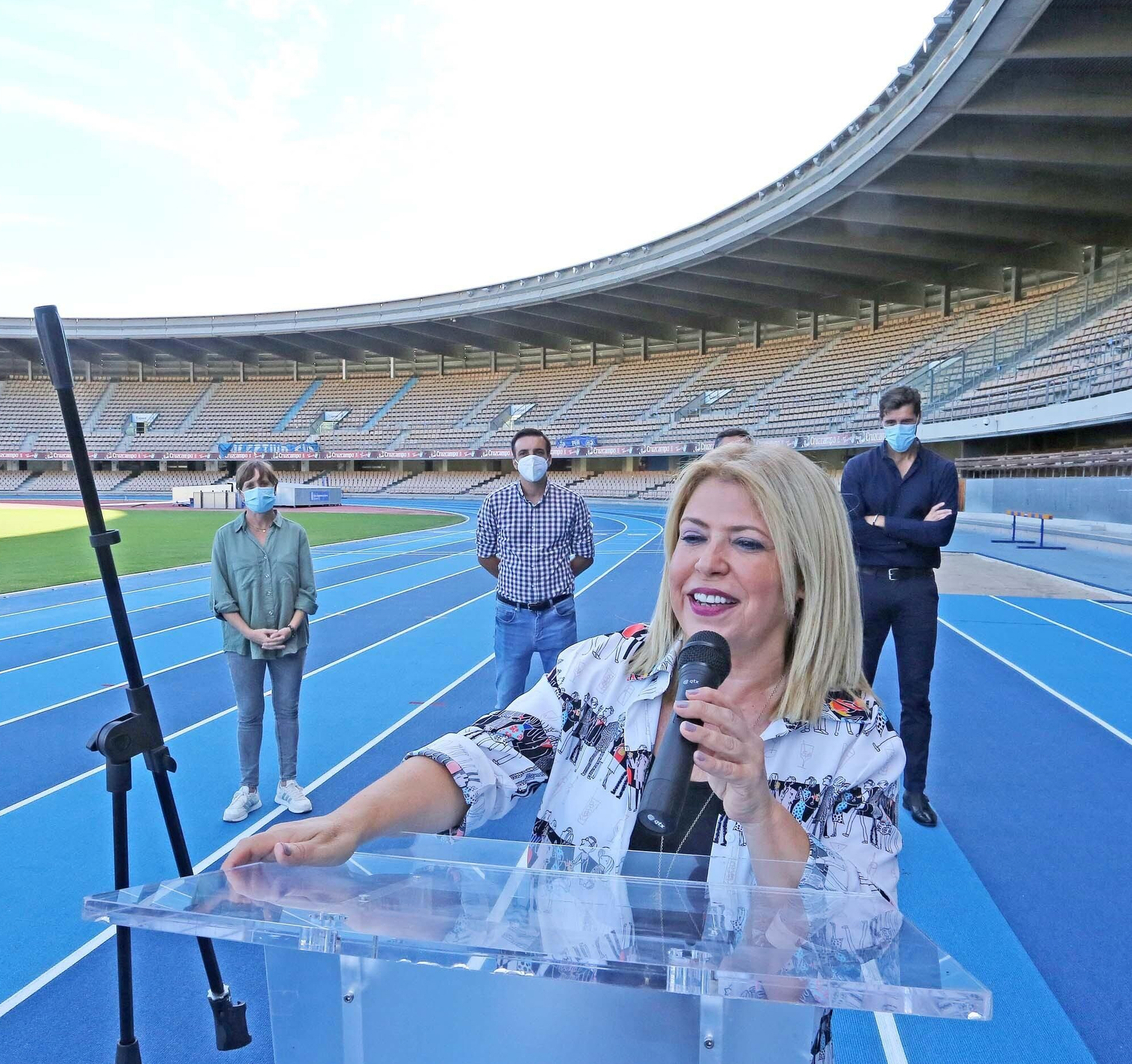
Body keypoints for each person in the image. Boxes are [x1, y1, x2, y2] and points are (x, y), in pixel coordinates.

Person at [227, 443, 904, 1063]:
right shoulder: (605, 672)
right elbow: (481, 757)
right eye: (693, 536)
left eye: (747, 542)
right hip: (565, 1029)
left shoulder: (854, 740)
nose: (708, 562)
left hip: (736, 1046)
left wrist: (759, 809)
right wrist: (351, 824)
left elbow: (859, 934)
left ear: (804, 574)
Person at [840, 385, 957, 828]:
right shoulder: (858, 468)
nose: (898, 429)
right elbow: (852, 531)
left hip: (916, 591)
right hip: (867, 587)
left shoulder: (941, 470)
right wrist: (912, 528)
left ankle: (914, 790)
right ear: (881, 422)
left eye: (906, 421)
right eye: (891, 423)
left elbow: (940, 535)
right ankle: (847, 776)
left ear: (919, 419)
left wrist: (881, 521)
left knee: (916, 695)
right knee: (853, 688)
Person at [211, 459, 318, 822]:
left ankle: (288, 783)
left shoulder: (295, 534)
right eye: (251, 485)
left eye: (264, 484)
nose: (259, 491)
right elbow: (221, 597)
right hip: (243, 643)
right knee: (249, 713)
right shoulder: (225, 537)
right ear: (240, 491)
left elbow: (307, 591)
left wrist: (290, 628)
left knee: (288, 711)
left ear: (275, 487)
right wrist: (250, 633)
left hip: (291, 639)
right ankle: (249, 789)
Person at [476, 428, 595, 710]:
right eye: (524, 453)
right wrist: (511, 577)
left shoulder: (572, 502)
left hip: (558, 615)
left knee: (564, 694)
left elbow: (586, 555)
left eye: (538, 452)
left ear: (549, 458)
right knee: (508, 696)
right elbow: (485, 554)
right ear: (515, 461)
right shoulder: (495, 503)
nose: (532, 458)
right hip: (512, 616)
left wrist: (558, 577)